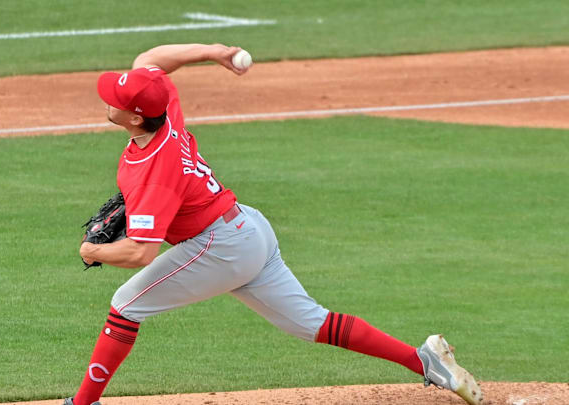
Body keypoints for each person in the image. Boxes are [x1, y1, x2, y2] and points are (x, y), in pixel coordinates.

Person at [66, 43, 482, 405]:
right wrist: (213, 51)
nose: (107, 99)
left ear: (137, 118)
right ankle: (422, 359)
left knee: (125, 305)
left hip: (221, 246)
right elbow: (151, 59)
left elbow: (141, 251)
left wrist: (92, 251)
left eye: (115, 98)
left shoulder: (154, 172)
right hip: (248, 229)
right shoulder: (165, 111)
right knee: (312, 323)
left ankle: (82, 403)